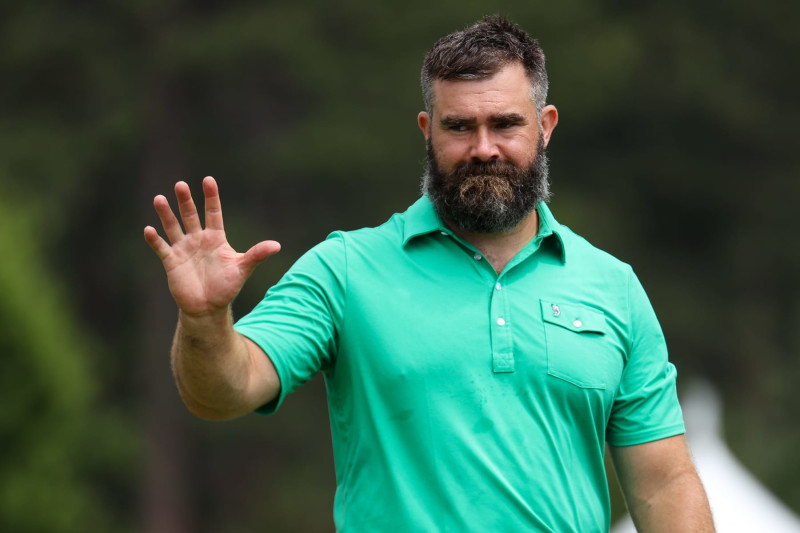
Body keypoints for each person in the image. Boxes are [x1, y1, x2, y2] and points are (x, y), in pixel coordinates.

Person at [144, 15, 715, 533]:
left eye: (505, 124)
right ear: (426, 129)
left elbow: (664, 482)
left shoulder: (612, 286)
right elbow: (224, 391)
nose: (483, 148)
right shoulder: (346, 270)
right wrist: (205, 318)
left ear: (546, 125)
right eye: (460, 126)